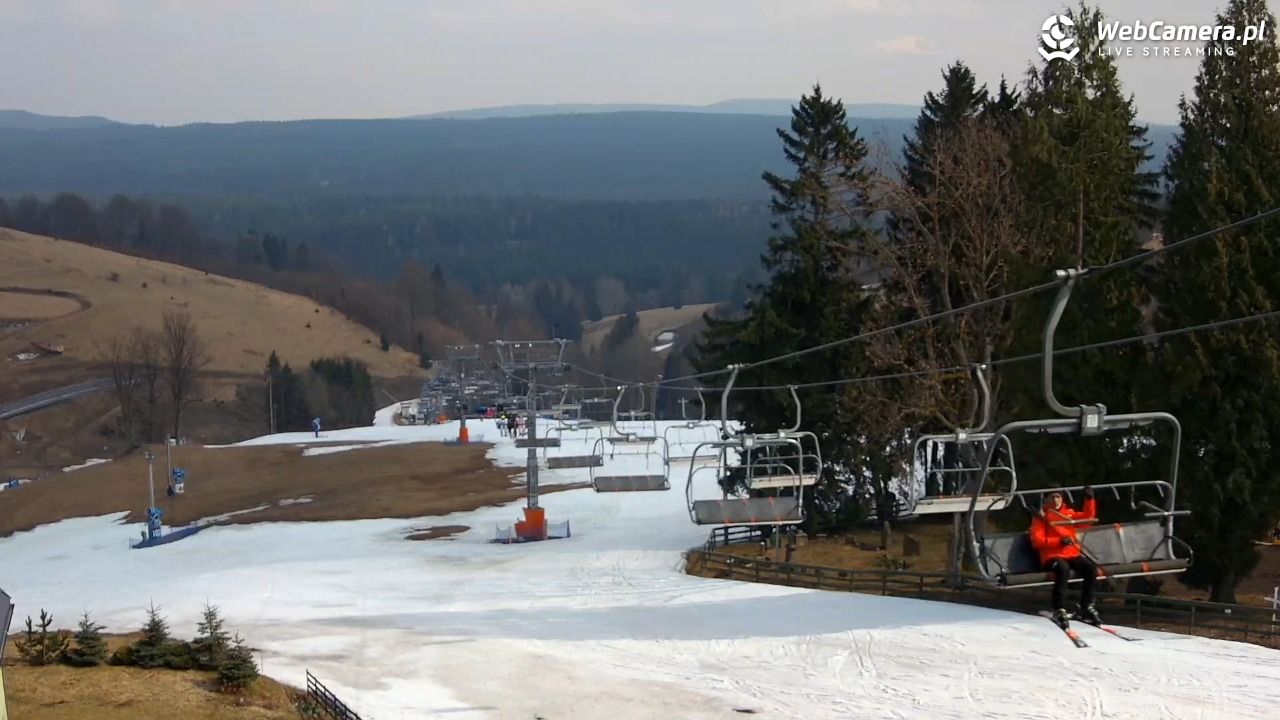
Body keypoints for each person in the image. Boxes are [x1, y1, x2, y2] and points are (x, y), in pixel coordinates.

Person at [1029, 486, 1101, 628]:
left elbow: (1087, 519)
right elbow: (1036, 541)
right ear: (1046, 499)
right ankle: (1059, 608)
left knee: (1091, 568)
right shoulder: (1040, 517)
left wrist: (1089, 500)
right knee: (1063, 569)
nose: (1056, 500)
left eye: (1058, 497)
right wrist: (1058, 541)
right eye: (1052, 497)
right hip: (1051, 556)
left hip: (1070, 553)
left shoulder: (1067, 514)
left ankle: (1085, 606)